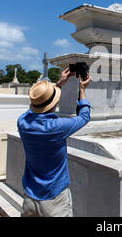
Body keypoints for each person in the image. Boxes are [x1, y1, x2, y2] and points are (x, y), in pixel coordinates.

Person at [17, 67, 92, 217]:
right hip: (55, 198)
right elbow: (84, 117)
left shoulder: (23, 122)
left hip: (30, 196)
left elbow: (35, 107)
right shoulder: (57, 127)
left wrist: (57, 85)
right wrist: (82, 90)